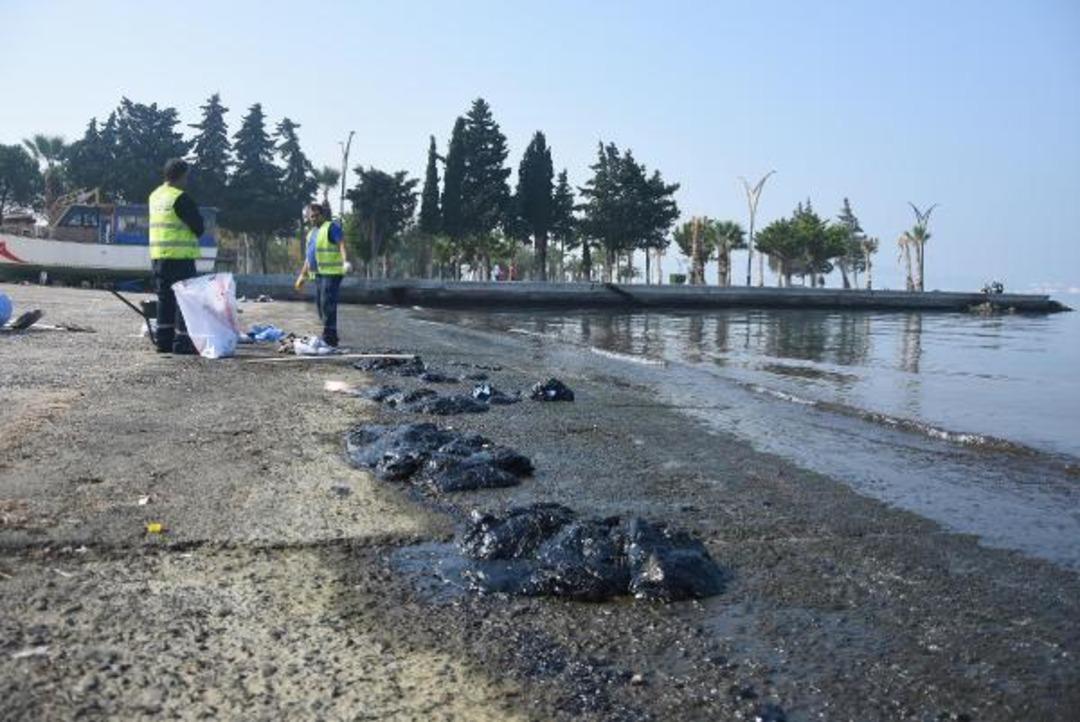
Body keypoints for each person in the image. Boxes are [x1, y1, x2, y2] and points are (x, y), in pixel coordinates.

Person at [148, 158, 204, 354]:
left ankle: (163, 341)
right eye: (186, 177)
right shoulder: (180, 198)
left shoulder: (155, 196)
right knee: (184, 299)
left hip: (158, 256)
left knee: (165, 299)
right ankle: (182, 342)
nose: (187, 181)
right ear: (181, 176)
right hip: (180, 257)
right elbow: (198, 227)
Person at [295, 203, 350, 347]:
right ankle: (330, 335)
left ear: (322, 215)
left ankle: (329, 339)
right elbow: (309, 256)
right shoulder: (311, 234)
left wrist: (345, 261)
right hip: (318, 275)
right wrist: (302, 276)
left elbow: (341, 244)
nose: (313, 219)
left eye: (316, 216)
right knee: (320, 305)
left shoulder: (331, 228)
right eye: (311, 217)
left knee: (327, 303)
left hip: (332, 274)